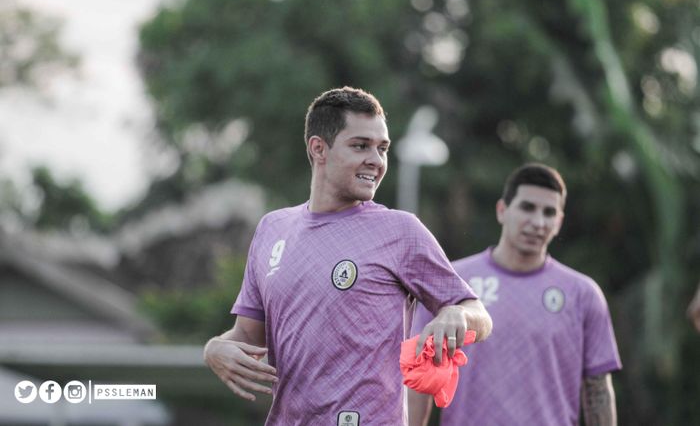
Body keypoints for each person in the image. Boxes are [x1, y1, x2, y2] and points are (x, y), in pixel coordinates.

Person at [204, 87, 492, 426]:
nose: (376, 160)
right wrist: (214, 349)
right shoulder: (272, 229)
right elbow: (248, 336)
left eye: (382, 148)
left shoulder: (400, 231)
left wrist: (456, 313)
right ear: (318, 149)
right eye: (360, 146)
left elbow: (479, 315)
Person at [409, 163, 622, 426]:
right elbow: (418, 378)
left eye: (549, 212)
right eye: (527, 207)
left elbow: (598, 388)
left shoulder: (583, 294)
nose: (538, 222)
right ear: (502, 210)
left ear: (559, 222)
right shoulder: (451, 282)